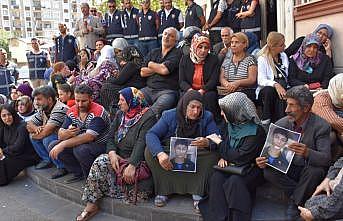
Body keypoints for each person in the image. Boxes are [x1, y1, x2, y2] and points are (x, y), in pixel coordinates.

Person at [76, 87, 156, 221]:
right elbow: (111, 137)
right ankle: (91, 205)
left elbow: (142, 142)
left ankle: (99, 195)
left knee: (136, 191)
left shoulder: (148, 116)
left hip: (138, 161)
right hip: (119, 158)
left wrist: (132, 164)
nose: (119, 103)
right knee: (101, 161)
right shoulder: (120, 114)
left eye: (122, 100)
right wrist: (112, 153)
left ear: (133, 101)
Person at [256, 86, 331, 220]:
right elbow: (270, 153)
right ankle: (302, 194)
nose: (286, 110)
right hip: (289, 168)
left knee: (316, 171)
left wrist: (307, 152)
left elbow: (326, 159)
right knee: (268, 172)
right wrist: (263, 161)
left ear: (306, 108)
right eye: (286, 104)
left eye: (291, 105)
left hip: (307, 170)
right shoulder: (281, 123)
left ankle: (295, 202)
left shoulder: (321, 126)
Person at [145, 90, 220, 212]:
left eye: (199, 108)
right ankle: (165, 190)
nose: (196, 112)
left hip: (196, 155)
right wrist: (160, 154)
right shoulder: (169, 115)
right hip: (173, 152)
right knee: (150, 151)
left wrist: (207, 142)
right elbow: (151, 134)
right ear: (185, 105)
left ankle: (197, 191)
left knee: (213, 155)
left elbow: (217, 138)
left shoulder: (206, 117)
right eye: (192, 107)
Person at [199, 92, 265, 221]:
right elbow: (226, 148)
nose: (222, 114)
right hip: (231, 165)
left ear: (235, 111)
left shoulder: (256, 131)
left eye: (224, 111)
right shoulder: (230, 125)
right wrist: (223, 155)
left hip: (250, 168)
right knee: (217, 178)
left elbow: (240, 157)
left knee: (235, 182)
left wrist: (221, 146)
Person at [49, 85, 111, 183]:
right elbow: (60, 134)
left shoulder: (98, 112)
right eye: (77, 100)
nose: (80, 104)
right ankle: (79, 173)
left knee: (80, 150)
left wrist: (63, 143)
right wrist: (67, 133)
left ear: (91, 98)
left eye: (84, 101)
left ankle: (93, 179)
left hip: (102, 145)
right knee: (53, 145)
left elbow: (89, 137)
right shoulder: (72, 110)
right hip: (83, 143)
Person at [26, 86, 68, 179]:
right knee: (35, 135)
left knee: (47, 139)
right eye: (35, 99)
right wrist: (36, 128)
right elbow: (29, 124)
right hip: (55, 135)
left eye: (39, 99)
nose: (36, 102)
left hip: (67, 138)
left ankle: (62, 166)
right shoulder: (43, 109)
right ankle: (47, 160)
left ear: (49, 99)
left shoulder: (60, 109)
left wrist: (35, 133)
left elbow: (45, 133)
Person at [140, 27, 182, 118]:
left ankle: (145, 127)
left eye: (171, 36)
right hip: (148, 89)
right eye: (165, 34)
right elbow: (142, 72)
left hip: (167, 92)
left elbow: (164, 70)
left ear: (176, 41)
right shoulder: (154, 52)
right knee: (131, 99)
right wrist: (158, 68)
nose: (166, 37)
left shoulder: (177, 53)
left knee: (154, 111)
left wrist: (150, 64)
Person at [179, 33, 221, 121]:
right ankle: (185, 122)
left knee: (210, 97)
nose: (203, 50)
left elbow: (213, 80)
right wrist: (191, 91)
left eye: (206, 48)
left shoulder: (213, 59)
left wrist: (202, 91)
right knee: (184, 97)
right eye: (200, 47)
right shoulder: (185, 59)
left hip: (206, 90)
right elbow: (182, 81)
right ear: (194, 46)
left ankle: (210, 122)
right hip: (189, 90)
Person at [0, 104, 39, 186]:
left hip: (26, 156)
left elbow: (18, 147)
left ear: (14, 114)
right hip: (12, 154)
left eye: (9, 114)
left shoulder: (22, 126)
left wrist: (2, 151)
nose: (7, 118)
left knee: (4, 162)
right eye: (4, 116)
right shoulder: (4, 128)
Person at [100, 46, 146, 113]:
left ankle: (112, 111)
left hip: (133, 88)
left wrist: (108, 78)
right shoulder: (137, 63)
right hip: (135, 86)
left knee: (106, 87)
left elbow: (119, 81)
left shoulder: (131, 64)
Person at [257, 32, 289, 126]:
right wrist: (275, 84)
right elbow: (261, 80)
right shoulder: (263, 59)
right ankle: (267, 119)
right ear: (273, 47)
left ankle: (281, 122)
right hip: (267, 90)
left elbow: (287, 75)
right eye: (281, 45)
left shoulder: (283, 56)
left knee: (283, 91)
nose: (285, 46)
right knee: (270, 90)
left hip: (283, 86)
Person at [298, 156, 343, 221]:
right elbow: (341, 161)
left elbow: (339, 198)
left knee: (311, 205)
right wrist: (328, 178)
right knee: (311, 203)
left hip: (339, 200)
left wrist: (313, 214)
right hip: (334, 188)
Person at [312, 74, 343, 161]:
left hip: (337, 129)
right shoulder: (321, 100)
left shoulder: (336, 97)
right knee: (331, 136)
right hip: (314, 136)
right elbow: (334, 121)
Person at [219, 32, 257, 102]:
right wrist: (227, 85)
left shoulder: (250, 59)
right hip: (228, 91)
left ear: (245, 44)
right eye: (232, 42)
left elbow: (252, 79)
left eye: (236, 42)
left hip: (245, 91)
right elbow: (222, 77)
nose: (233, 45)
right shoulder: (227, 59)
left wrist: (237, 83)